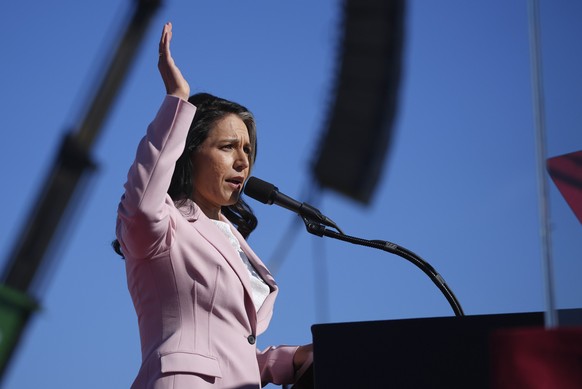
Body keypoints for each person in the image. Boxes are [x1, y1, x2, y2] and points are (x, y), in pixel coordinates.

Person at [114, 22, 312, 389]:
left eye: (248, 150)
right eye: (227, 147)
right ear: (188, 153)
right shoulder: (162, 228)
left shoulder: (234, 239)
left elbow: (227, 351)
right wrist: (178, 98)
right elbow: (141, 207)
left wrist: (289, 359)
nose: (243, 161)